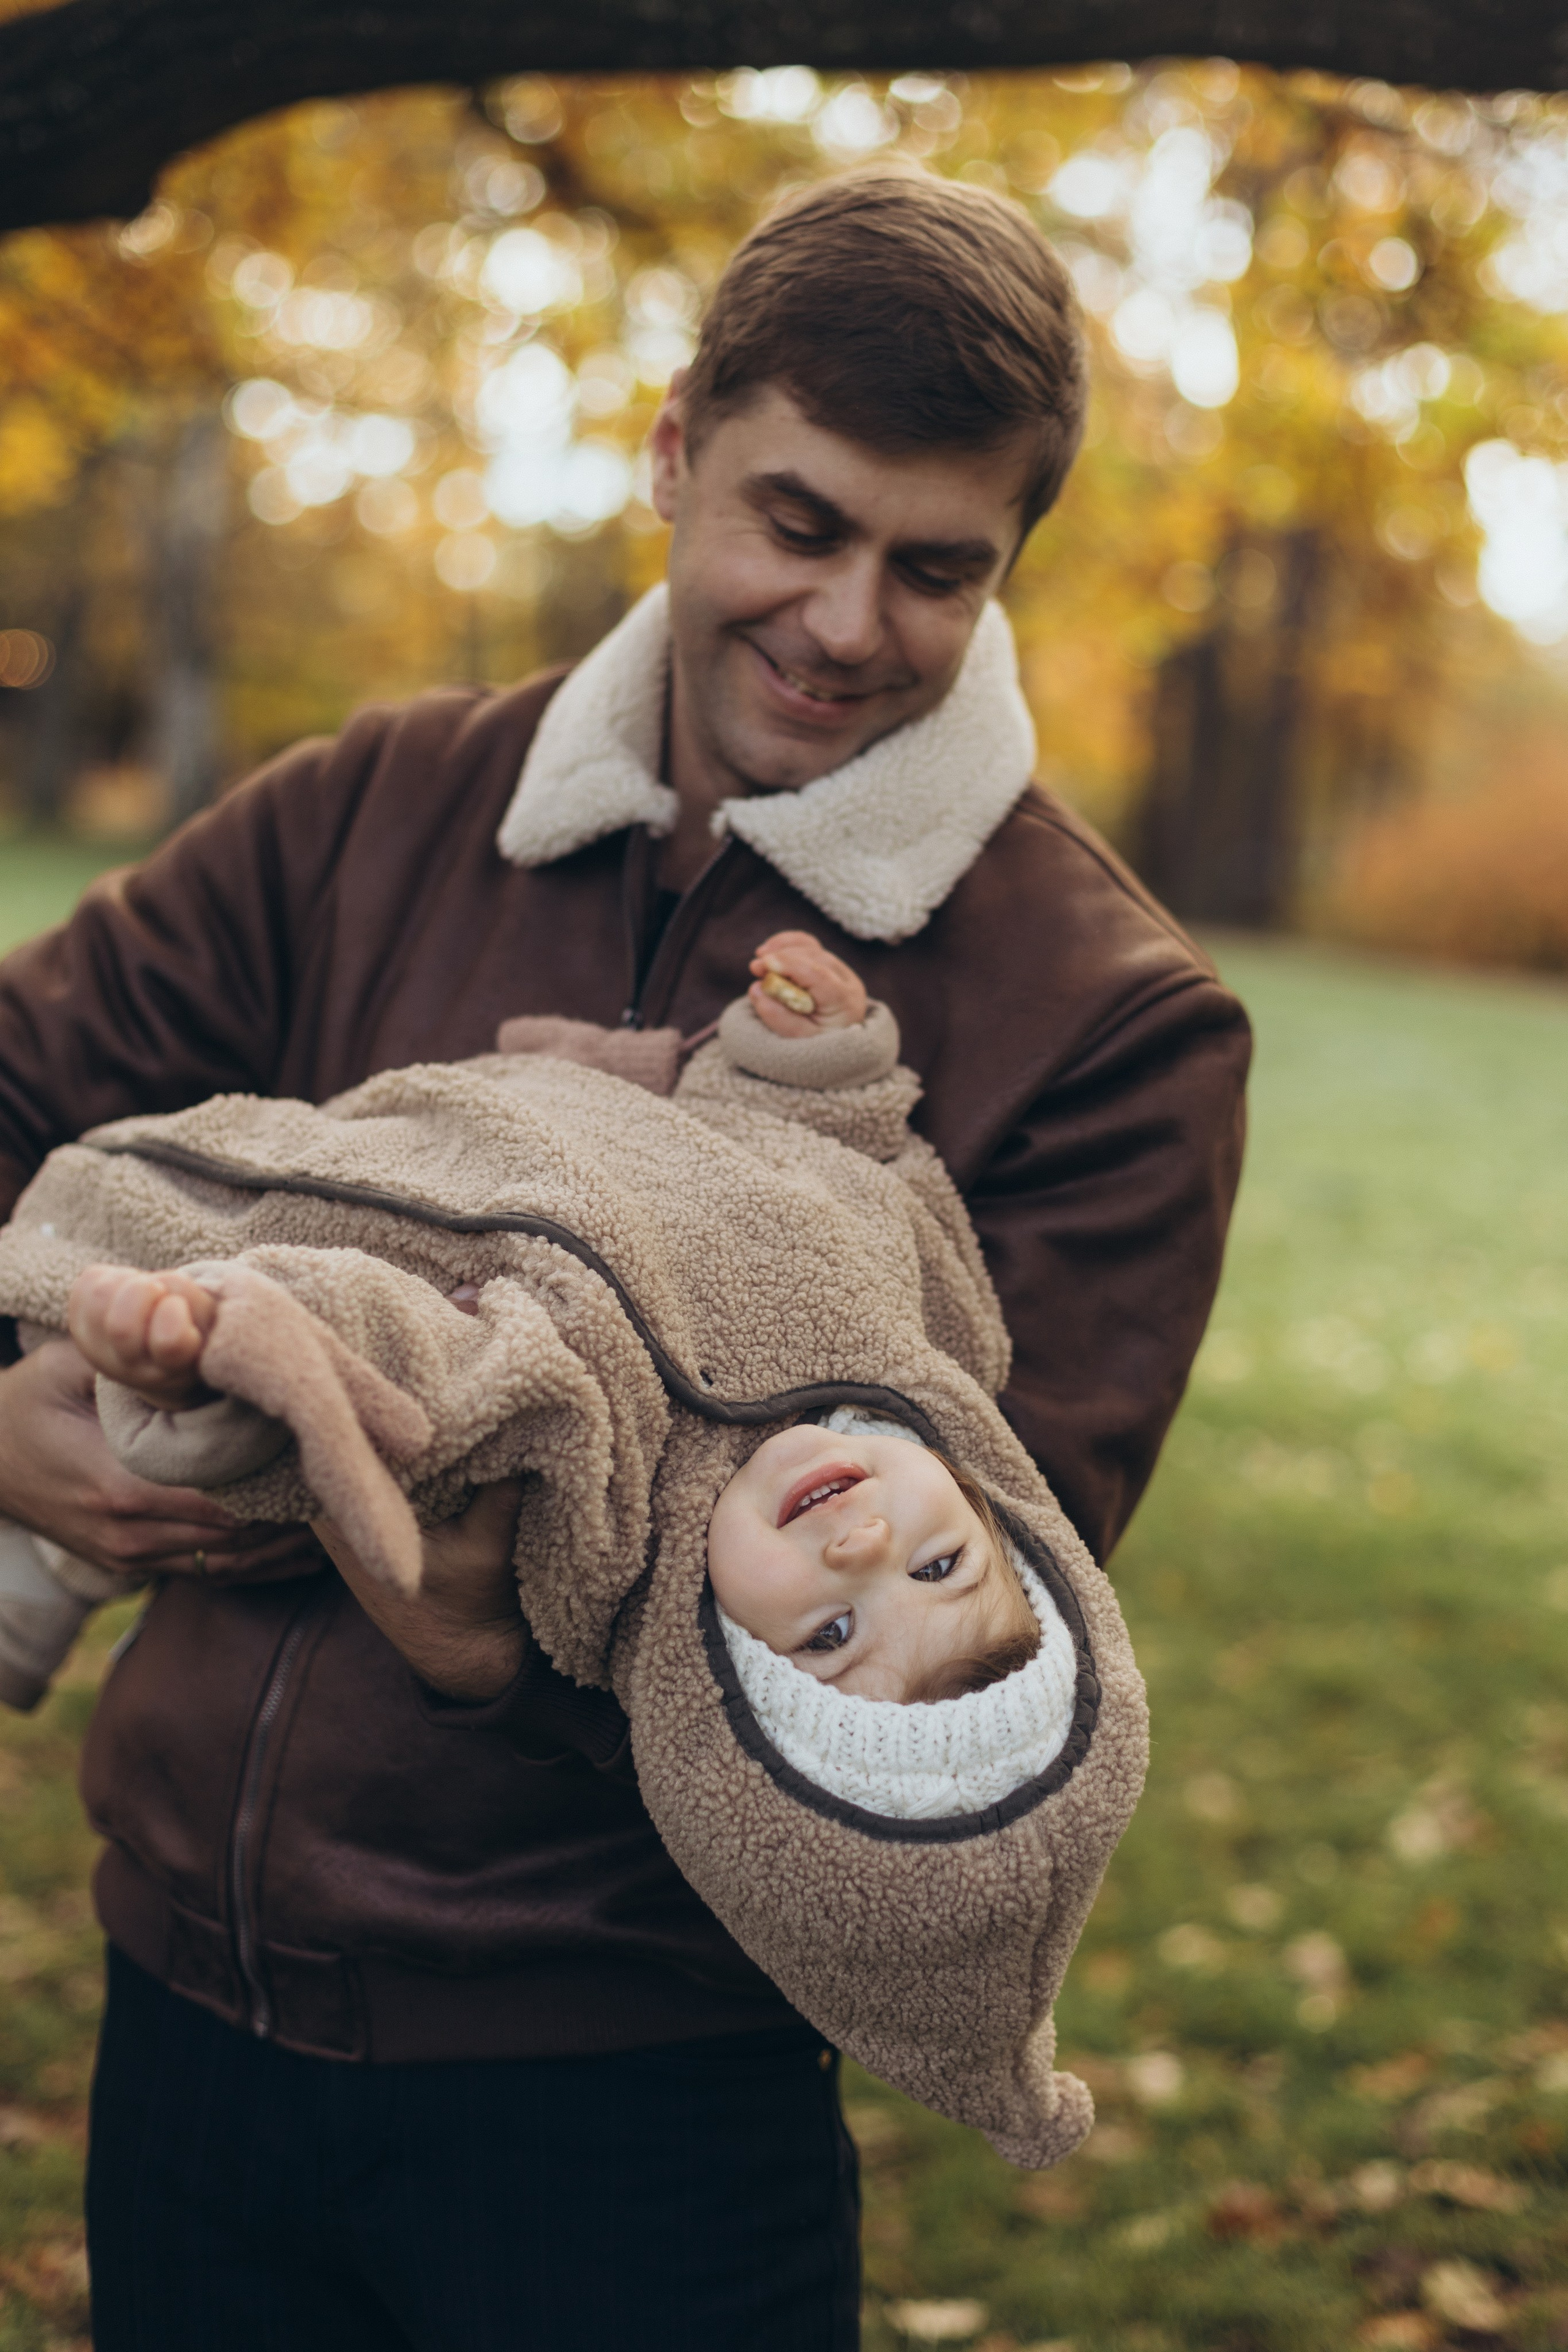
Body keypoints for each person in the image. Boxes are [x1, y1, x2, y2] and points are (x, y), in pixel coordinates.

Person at [0, 167, 1249, 2349]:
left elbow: (988, 1650)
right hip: (187, 2015)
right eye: (800, 522)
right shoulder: (378, 803)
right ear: (675, 455)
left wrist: (521, 1660)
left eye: (935, 567)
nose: (852, 621)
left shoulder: (1113, 1026)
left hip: (632, 2106)